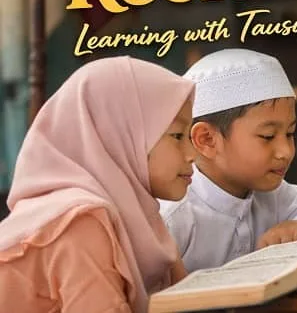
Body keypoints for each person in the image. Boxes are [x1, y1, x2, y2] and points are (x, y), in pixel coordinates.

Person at [0, 56, 196, 313]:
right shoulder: (78, 222)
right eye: (178, 135)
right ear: (119, 133)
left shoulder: (140, 217)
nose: (193, 153)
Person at [159, 48, 297, 272]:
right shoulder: (172, 218)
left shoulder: (272, 196)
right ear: (207, 140)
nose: (285, 151)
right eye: (267, 136)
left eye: (290, 133)